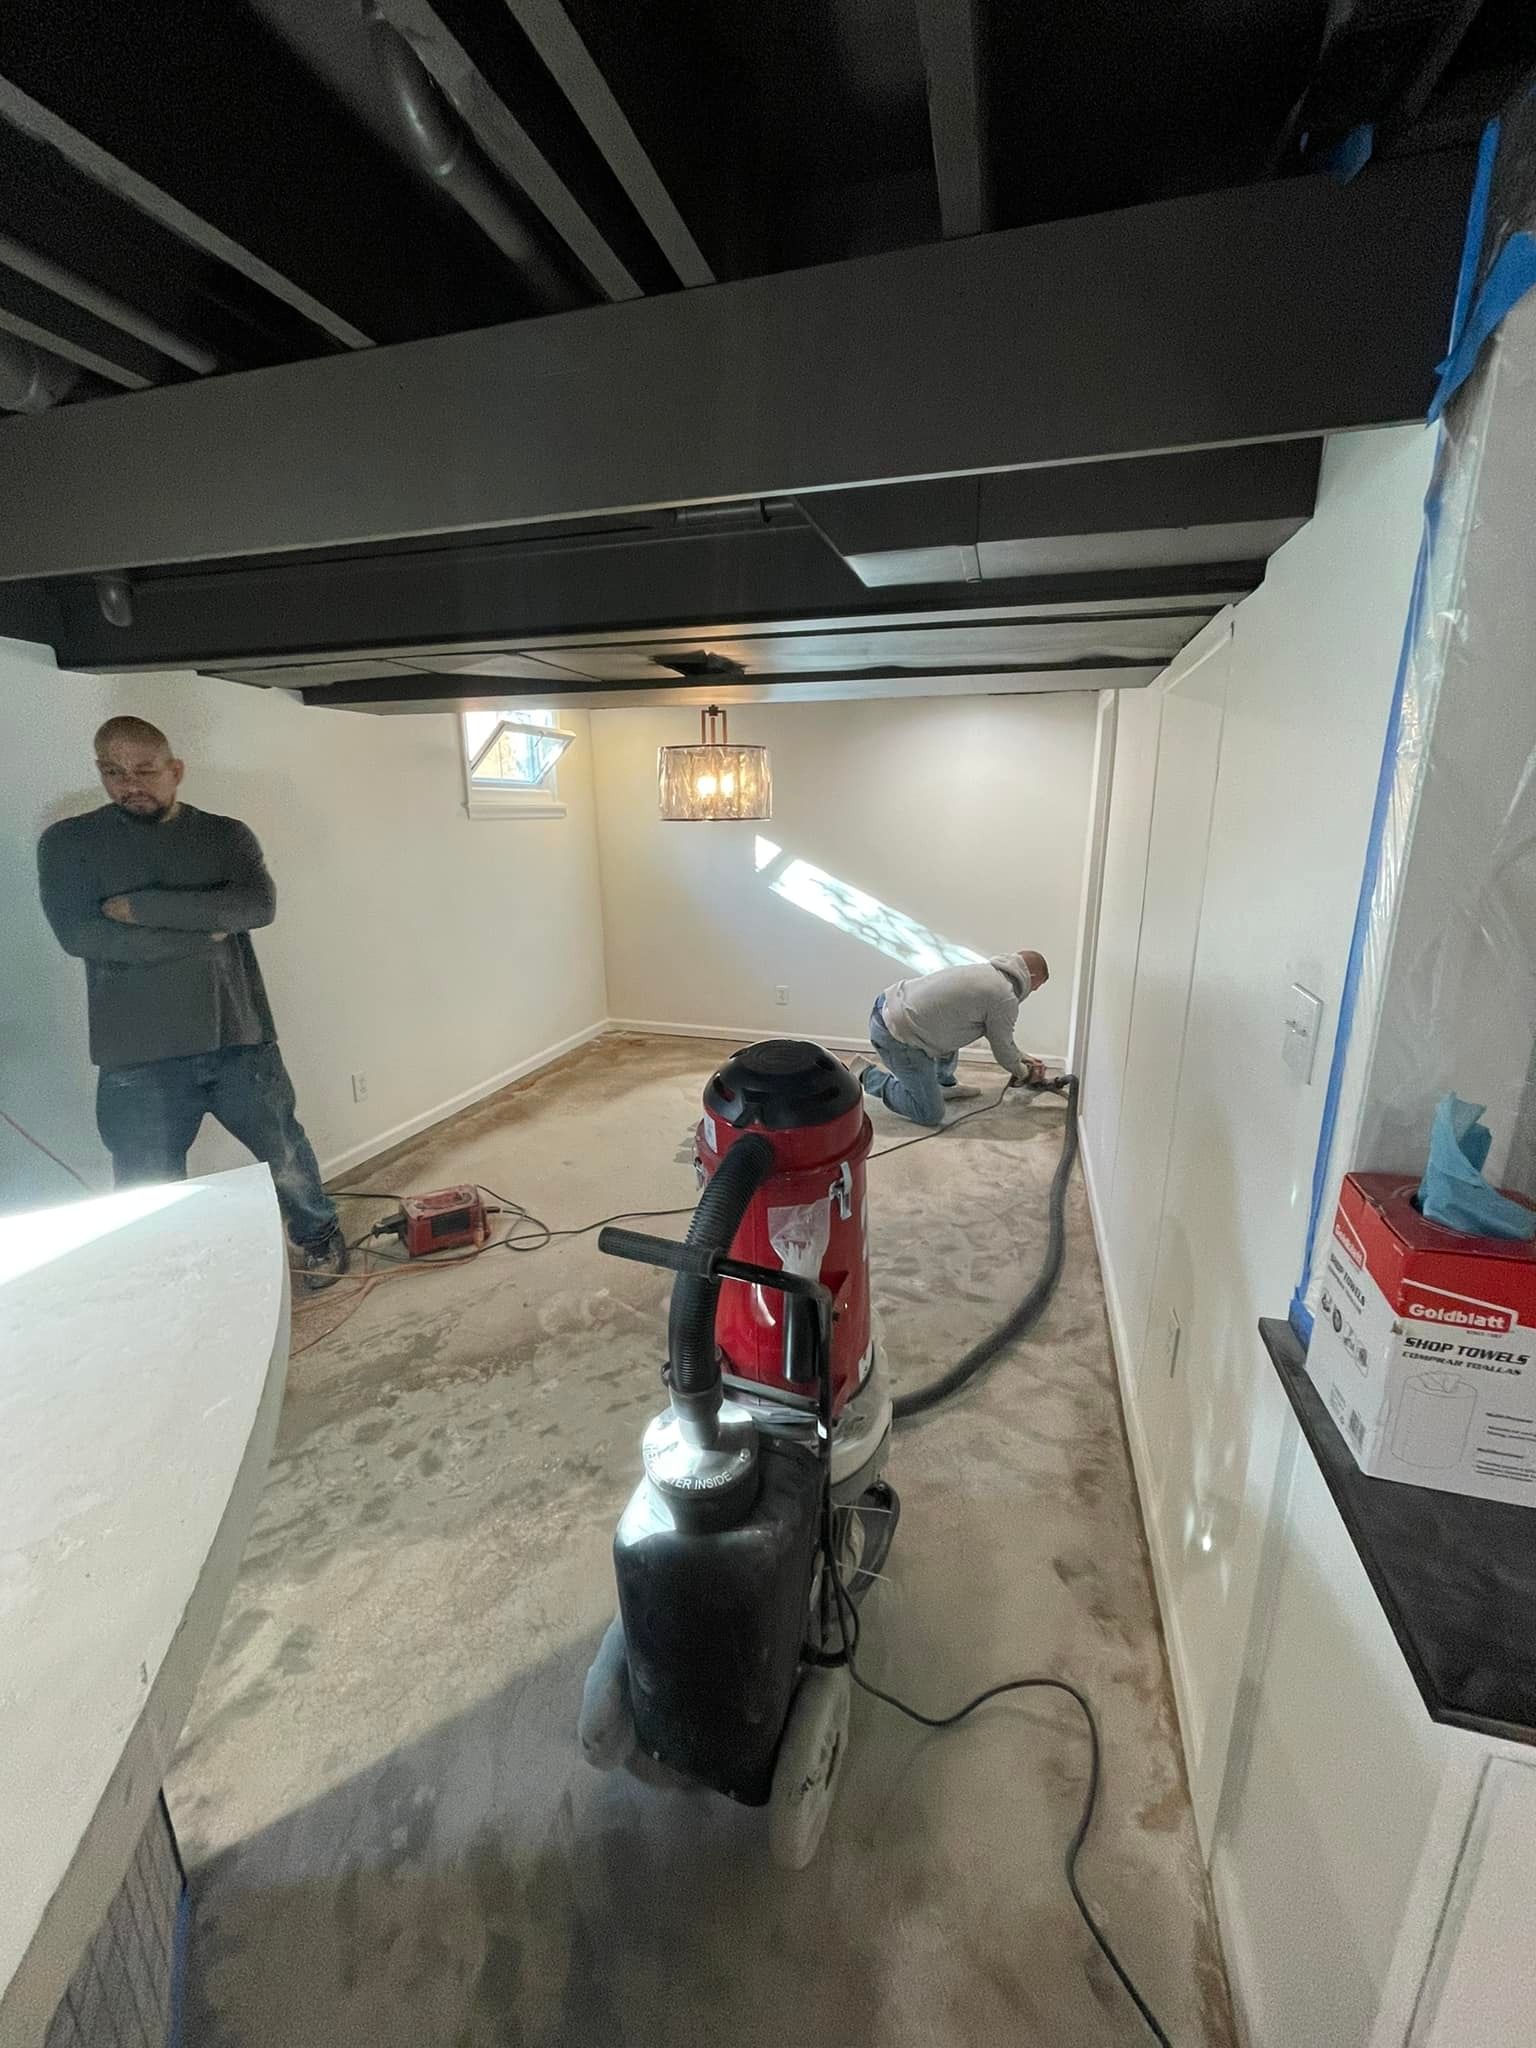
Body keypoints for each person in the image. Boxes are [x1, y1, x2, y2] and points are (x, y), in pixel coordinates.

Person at [36, 715, 349, 1288]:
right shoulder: (69, 844)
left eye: (145, 770)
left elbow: (255, 908)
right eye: (113, 771)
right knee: (147, 1188)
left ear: (175, 770)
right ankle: (167, 1282)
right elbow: (82, 937)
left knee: (284, 1155)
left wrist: (143, 908)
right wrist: (204, 929)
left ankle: (318, 1237)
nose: (130, 784)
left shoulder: (225, 836)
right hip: (136, 1055)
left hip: (238, 1036)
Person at [861, 951, 1050, 1127]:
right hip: (896, 1034)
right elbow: (1002, 1050)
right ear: (1031, 977)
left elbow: (1001, 1037)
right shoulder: (1004, 997)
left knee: (957, 1023)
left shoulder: (987, 972)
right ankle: (867, 1075)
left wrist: (1023, 1057)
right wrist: (1026, 1074)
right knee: (930, 1114)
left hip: (890, 1005)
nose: (1032, 992)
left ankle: (944, 1084)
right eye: (1036, 987)